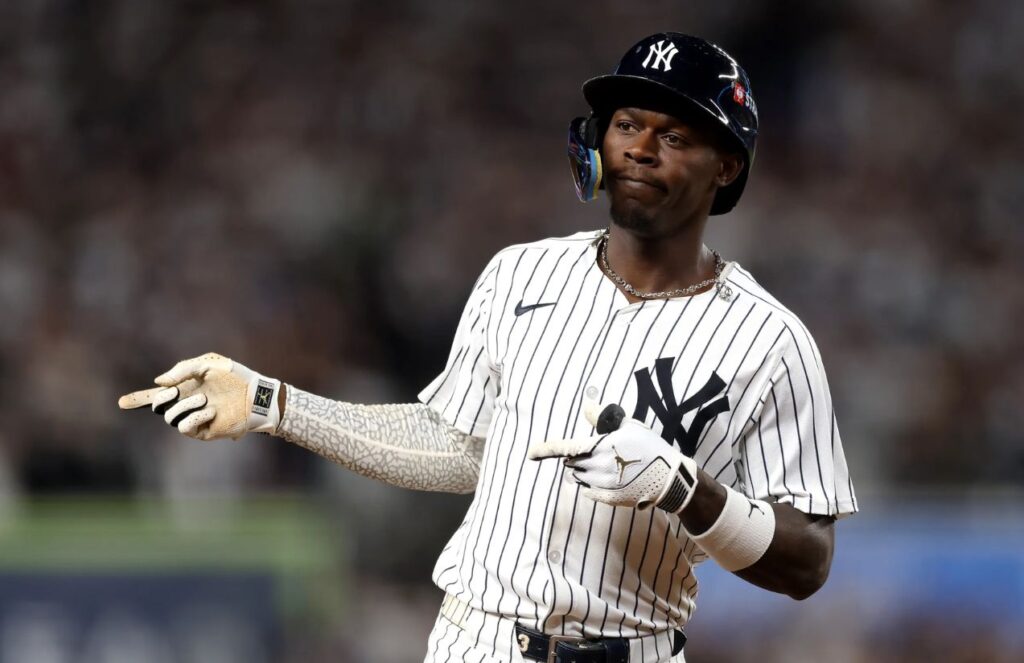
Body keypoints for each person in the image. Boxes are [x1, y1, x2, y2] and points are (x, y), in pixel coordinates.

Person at [120, 32, 857, 663]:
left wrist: (684, 490)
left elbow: (807, 561)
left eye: (674, 135)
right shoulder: (520, 273)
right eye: (627, 123)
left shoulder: (771, 340)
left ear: (726, 166)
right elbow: (456, 447)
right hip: (479, 638)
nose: (639, 148)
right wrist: (271, 403)